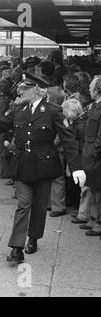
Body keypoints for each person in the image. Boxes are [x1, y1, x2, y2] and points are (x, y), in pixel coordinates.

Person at [0, 71, 86, 263]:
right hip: (22, 164)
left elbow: (68, 139)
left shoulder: (54, 111)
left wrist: (76, 167)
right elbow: (1, 123)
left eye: (25, 88)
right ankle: (16, 248)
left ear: (37, 90)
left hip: (44, 166)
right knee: (23, 204)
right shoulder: (19, 109)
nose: (21, 91)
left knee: (38, 206)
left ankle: (34, 237)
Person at [81, 76, 101, 238]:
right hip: (89, 152)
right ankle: (94, 218)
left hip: (95, 154)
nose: (88, 89)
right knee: (93, 188)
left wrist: (94, 152)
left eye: (91, 87)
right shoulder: (94, 106)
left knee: (98, 190)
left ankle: (99, 222)